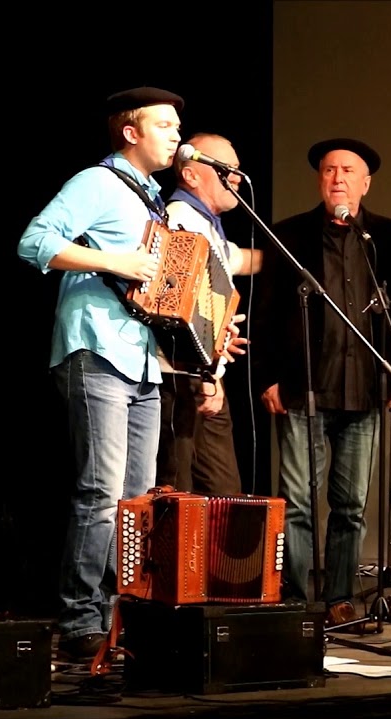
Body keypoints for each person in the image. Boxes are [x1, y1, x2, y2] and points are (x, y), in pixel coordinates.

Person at [17, 87, 244, 662]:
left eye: (177, 126)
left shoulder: (153, 201)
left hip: (142, 361)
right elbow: (34, 242)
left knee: (136, 501)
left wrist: (209, 342)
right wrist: (114, 261)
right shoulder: (96, 183)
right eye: (165, 126)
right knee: (99, 493)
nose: (177, 136)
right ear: (131, 133)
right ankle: (79, 623)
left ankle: (120, 619)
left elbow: (167, 293)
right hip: (94, 350)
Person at [253, 138, 391, 632]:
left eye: (348, 170)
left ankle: (340, 596)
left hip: (366, 388)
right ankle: (301, 597)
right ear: (319, 181)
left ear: (366, 183)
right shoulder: (288, 235)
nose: (338, 178)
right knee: (299, 501)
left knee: (350, 505)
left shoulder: (390, 238)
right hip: (306, 386)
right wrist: (266, 376)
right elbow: (264, 314)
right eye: (329, 171)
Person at [158, 132, 264, 497]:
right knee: (178, 495)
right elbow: (182, 310)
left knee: (225, 497)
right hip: (181, 378)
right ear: (191, 175)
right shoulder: (179, 221)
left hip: (205, 376)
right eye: (225, 169)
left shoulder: (208, 225)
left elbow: (239, 259)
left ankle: (209, 558)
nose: (236, 178)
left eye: (236, 169)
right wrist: (208, 376)